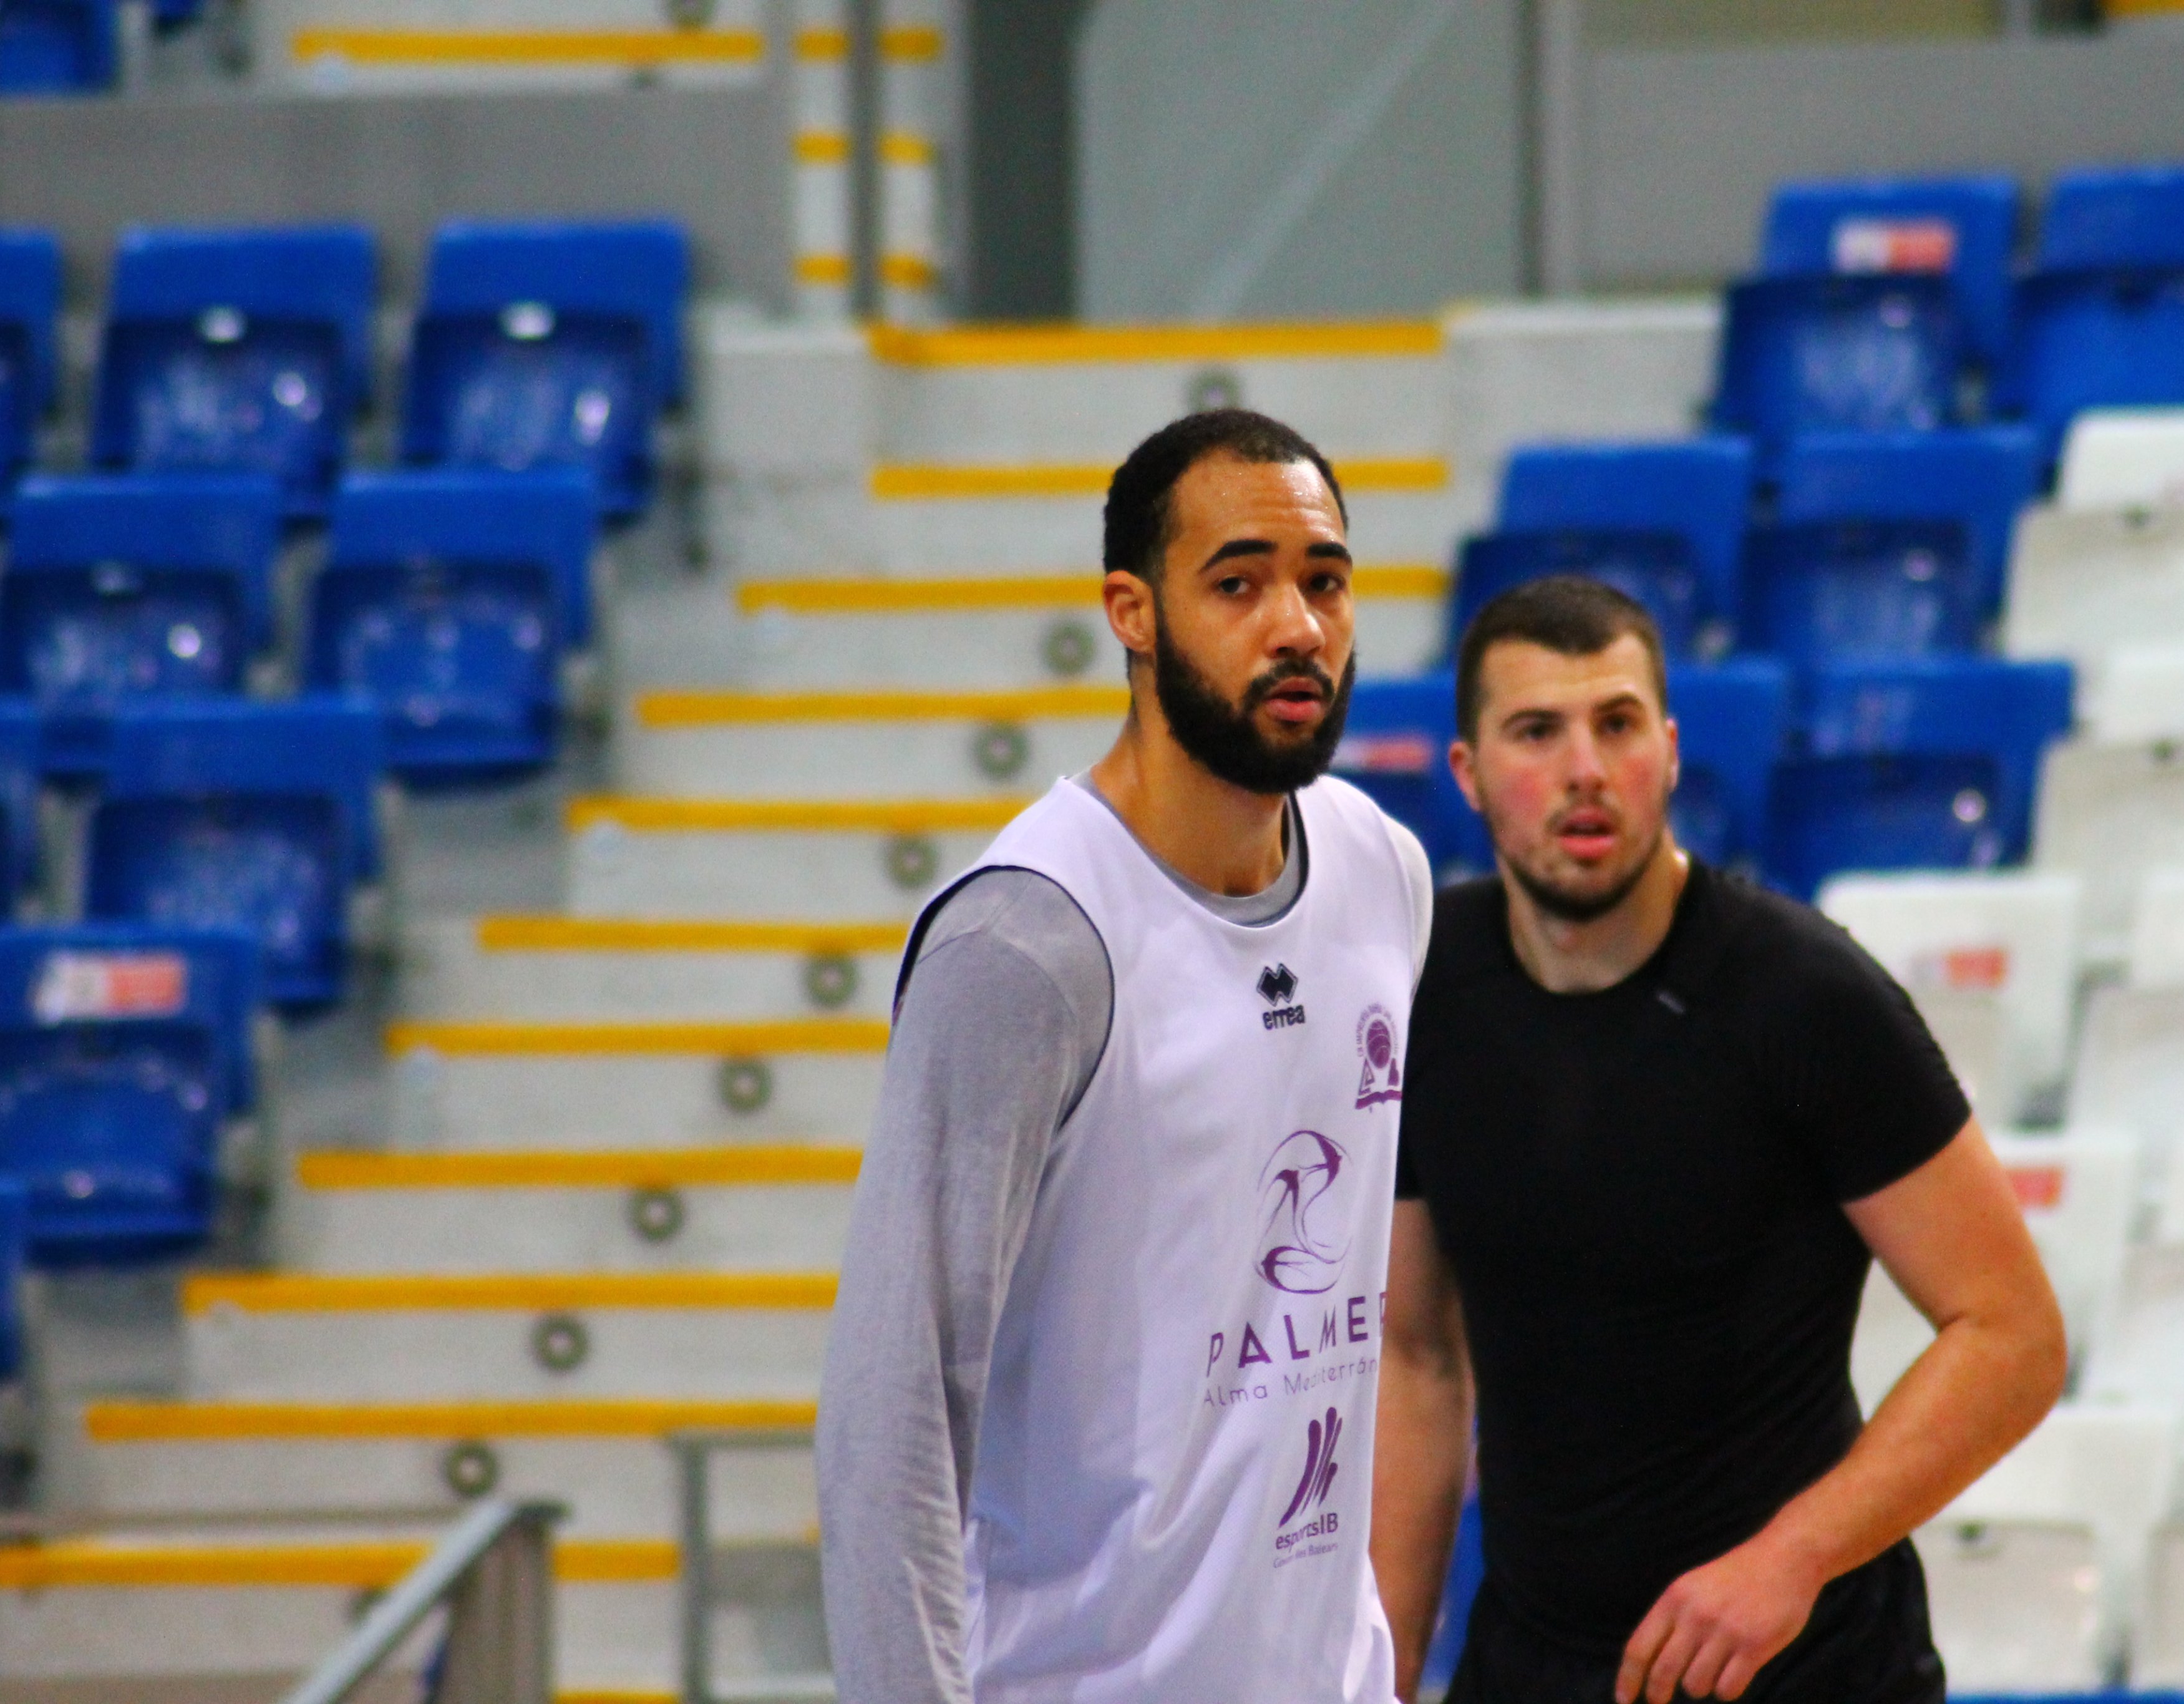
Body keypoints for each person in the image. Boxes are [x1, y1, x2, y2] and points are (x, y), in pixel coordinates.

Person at [818, 409, 1435, 1704]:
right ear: (1131, 611)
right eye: (1238, 581)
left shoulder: (1384, 872)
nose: (1296, 625)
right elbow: (892, 1419)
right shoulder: (1025, 939)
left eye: (1323, 581)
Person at [1371, 577, 2066, 1704]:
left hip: (1806, 1663)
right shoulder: (1423, 987)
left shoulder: (1803, 995)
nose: (1584, 769)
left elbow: (2014, 1335)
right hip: (1535, 1659)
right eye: (1536, 733)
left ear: (1673, 750)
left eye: (1617, 723)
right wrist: (1387, 1665)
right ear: (1469, 775)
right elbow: (1418, 1356)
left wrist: (1790, 1557)